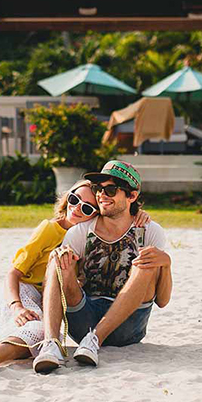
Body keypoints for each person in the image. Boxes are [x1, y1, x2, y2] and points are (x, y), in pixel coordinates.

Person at [33, 160, 172, 374]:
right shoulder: (81, 232)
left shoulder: (150, 232)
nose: (102, 195)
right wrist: (64, 262)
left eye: (111, 189)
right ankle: (51, 343)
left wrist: (166, 263)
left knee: (146, 261)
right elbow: (66, 279)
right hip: (84, 321)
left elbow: (162, 301)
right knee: (58, 258)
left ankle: (96, 339)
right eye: (99, 189)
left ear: (131, 196)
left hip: (128, 325)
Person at [0, 179, 102, 377]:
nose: (77, 208)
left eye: (87, 208)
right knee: (39, 332)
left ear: (96, 215)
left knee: (42, 337)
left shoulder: (89, 240)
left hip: (43, 302)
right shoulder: (49, 230)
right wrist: (16, 306)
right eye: (74, 199)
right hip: (21, 293)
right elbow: (13, 272)